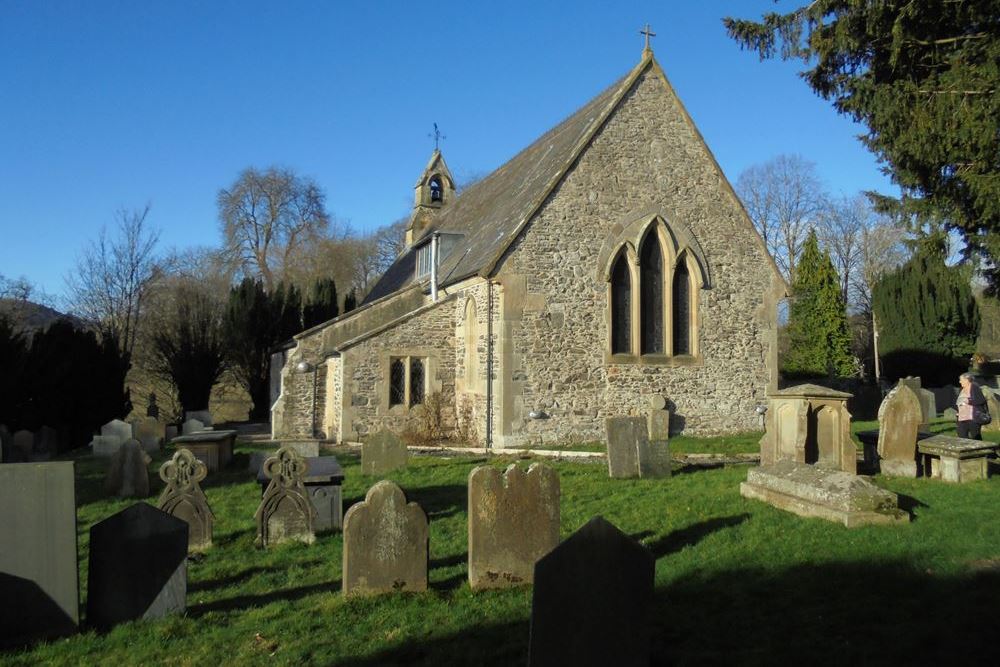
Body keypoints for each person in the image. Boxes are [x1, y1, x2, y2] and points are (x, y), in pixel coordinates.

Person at [956, 372, 987, 440]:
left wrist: (969, 401)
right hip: (962, 417)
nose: (959, 381)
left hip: (973, 417)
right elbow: (960, 402)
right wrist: (958, 411)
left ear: (967, 380)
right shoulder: (961, 389)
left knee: (975, 436)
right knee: (961, 436)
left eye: (961, 380)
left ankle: (981, 449)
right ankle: (966, 449)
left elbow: (981, 400)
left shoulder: (974, 387)